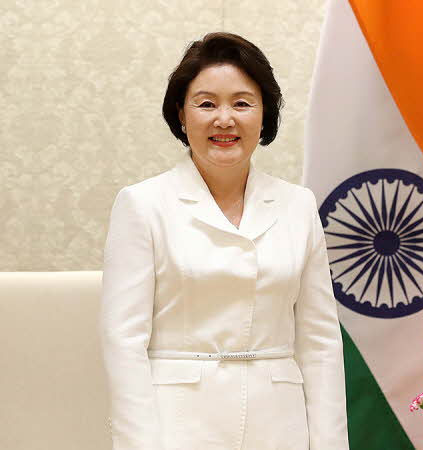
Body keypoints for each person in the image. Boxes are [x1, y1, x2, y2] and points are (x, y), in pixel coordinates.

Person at [99, 32, 348, 450]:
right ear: (181, 114)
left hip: (280, 426)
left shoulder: (297, 205)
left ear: (264, 114)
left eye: (242, 102)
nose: (225, 119)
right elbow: (123, 343)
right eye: (207, 103)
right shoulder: (142, 204)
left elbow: (320, 341)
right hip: (177, 425)